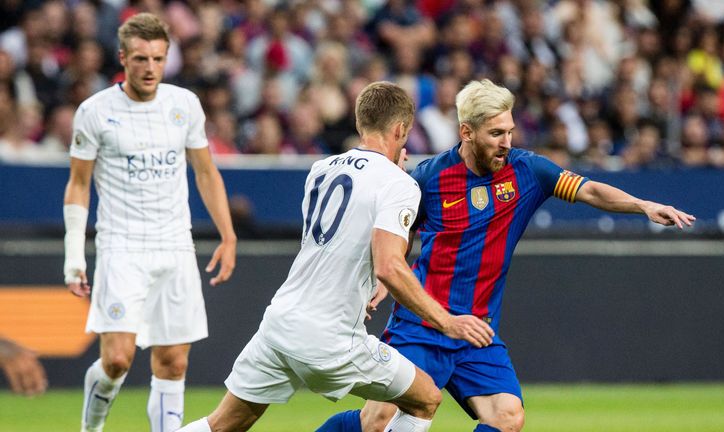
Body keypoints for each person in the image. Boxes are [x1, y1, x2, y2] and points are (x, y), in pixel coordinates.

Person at [319, 79, 695, 432]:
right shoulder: (429, 178)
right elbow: (398, 236)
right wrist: (383, 283)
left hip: (478, 331)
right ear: (467, 132)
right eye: (496, 133)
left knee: (508, 416)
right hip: (422, 325)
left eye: (510, 131)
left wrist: (643, 205)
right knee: (377, 422)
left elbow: (590, 191)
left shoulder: (527, 170)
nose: (506, 142)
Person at [177, 81, 495, 432]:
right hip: (329, 337)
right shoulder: (398, 184)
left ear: (361, 125)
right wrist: (447, 321)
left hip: (280, 324)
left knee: (222, 424)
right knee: (425, 399)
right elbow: (390, 265)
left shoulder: (321, 170)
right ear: (401, 130)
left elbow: (344, 242)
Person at [62, 13, 237, 432]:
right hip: (121, 246)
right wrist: (74, 255)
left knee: (174, 362)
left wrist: (228, 235)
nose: (150, 68)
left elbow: (206, 172)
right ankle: (91, 426)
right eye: (141, 59)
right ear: (123, 57)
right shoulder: (95, 112)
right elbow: (78, 185)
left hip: (175, 246)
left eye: (158, 59)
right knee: (117, 360)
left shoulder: (183, 105)